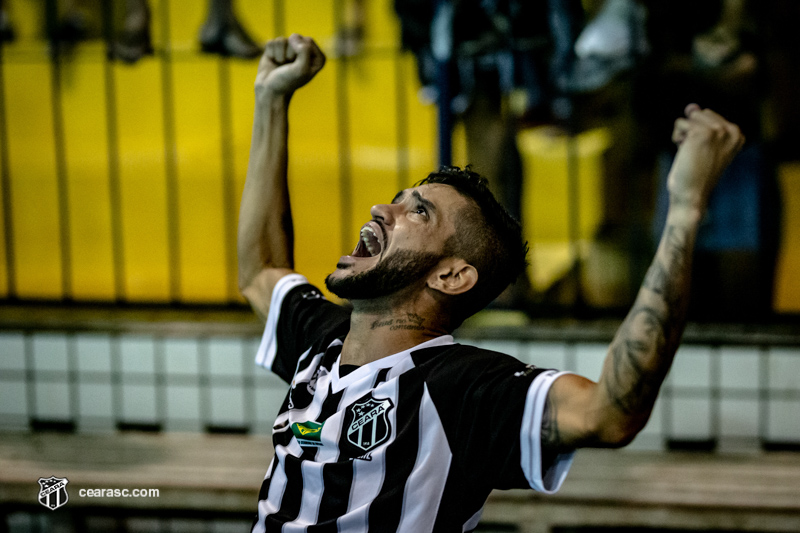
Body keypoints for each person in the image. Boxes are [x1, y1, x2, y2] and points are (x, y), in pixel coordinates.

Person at [238, 34, 744, 532]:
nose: (381, 208)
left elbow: (608, 415)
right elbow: (261, 270)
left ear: (452, 275)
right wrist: (271, 99)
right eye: (399, 198)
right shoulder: (320, 342)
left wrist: (684, 209)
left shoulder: (463, 389)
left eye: (418, 211)